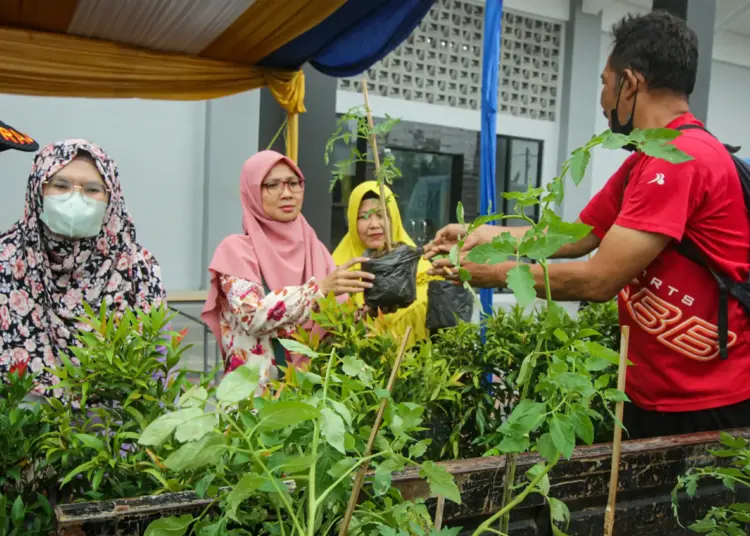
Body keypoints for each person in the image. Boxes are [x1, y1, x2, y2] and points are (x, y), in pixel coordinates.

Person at [425, 11, 750, 440]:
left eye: (604, 82)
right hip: (653, 392)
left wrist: (491, 274)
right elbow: (579, 236)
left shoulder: (681, 159)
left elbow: (598, 281)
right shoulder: (646, 160)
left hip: (705, 403)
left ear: (629, 84)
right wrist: (484, 236)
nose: (602, 99)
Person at [0, 139, 167, 398]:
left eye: (92, 189)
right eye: (60, 185)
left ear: (111, 197)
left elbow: (157, 368)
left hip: (117, 430)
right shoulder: (5, 261)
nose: (75, 197)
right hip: (19, 431)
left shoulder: (138, 270)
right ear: (37, 190)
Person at [202, 150, 373, 386]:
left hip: (310, 395)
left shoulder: (316, 250)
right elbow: (252, 315)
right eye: (272, 185)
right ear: (252, 192)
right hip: (254, 403)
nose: (287, 193)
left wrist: (368, 311)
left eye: (294, 183)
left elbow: (335, 324)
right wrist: (318, 290)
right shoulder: (236, 250)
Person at [332, 181, 434, 346]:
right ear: (352, 221)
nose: (374, 225)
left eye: (381, 215)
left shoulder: (422, 268)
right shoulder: (337, 269)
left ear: (394, 218)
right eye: (364, 217)